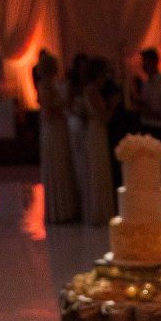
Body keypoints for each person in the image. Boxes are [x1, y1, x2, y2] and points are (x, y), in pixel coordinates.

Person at [33, 51, 79, 225]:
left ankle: (63, 208)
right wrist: (65, 104)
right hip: (54, 131)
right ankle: (61, 210)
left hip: (56, 130)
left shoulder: (49, 85)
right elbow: (48, 113)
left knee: (61, 166)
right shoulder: (45, 87)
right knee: (58, 166)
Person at [69, 58, 114, 227]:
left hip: (92, 131)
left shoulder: (84, 90)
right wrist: (113, 105)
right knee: (97, 170)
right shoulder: (92, 90)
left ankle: (94, 211)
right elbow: (104, 116)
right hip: (96, 132)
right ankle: (99, 213)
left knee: (93, 170)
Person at [132, 47, 161, 139]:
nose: (142, 65)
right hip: (144, 128)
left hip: (159, 131)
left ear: (154, 62)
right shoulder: (145, 83)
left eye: (145, 62)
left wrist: (147, 111)